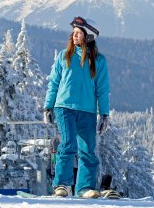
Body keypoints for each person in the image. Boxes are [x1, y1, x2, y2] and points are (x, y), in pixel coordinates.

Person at [43, 16, 110, 198]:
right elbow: (54, 83)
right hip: (64, 107)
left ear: (88, 37)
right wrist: (48, 107)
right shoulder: (64, 56)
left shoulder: (99, 61)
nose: (74, 36)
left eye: (79, 33)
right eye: (74, 32)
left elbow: (102, 90)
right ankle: (62, 185)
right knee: (68, 143)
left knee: (88, 148)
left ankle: (84, 188)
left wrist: (104, 114)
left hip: (87, 110)